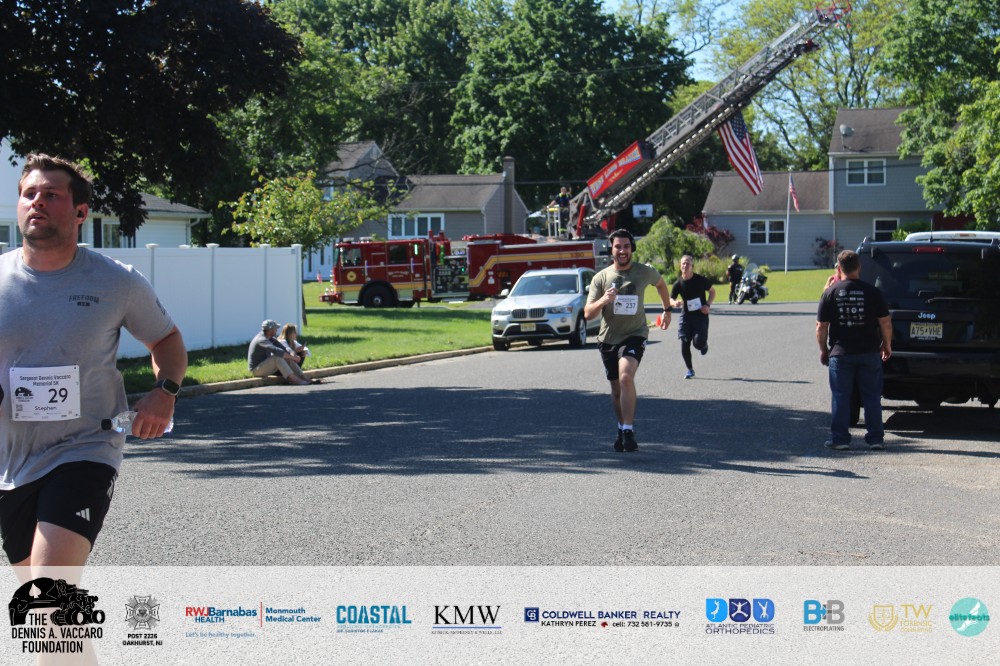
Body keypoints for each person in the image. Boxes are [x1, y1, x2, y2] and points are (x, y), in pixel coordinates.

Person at [1, 154, 187, 578]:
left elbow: (167, 340)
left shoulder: (116, 281)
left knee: (50, 587)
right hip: (11, 460)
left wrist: (165, 392)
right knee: (42, 605)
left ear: (81, 212)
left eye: (51, 194)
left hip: (85, 449)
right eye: (29, 194)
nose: (37, 202)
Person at [584, 229, 671, 453]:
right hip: (608, 338)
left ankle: (628, 430)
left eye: (626, 246)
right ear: (611, 249)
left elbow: (661, 285)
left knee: (625, 377)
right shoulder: (601, 278)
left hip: (635, 333)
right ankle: (621, 427)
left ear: (632, 248)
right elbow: (588, 314)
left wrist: (667, 310)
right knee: (616, 390)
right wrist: (604, 300)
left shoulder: (644, 272)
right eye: (618, 247)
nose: (622, 251)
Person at [816, 249, 893, 450]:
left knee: (841, 397)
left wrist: (824, 350)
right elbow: (885, 322)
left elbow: (821, 326)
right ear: (859, 267)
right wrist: (886, 344)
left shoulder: (830, 293)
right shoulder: (873, 292)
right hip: (869, 352)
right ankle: (875, 439)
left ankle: (840, 439)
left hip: (841, 354)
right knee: (872, 397)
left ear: (839, 269)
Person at [670, 255, 716, 379]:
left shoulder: (701, 280)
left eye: (687, 264)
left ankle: (703, 346)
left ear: (692, 266)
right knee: (684, 342)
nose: (685, 266)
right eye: (683, 263)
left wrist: (707, 305)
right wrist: (674, 303)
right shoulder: (678, 283)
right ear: (680, 266)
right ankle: (690, 370)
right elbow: (671, 299)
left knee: (698, 343)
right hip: (686, 316)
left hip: (700, 316)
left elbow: (712, 291)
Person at [248, 320, 311, 385]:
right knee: (277, 358)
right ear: (270, 329)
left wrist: (292, 354)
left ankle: (303, 377)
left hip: (265, 367)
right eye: (275, 328)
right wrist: (293, 357)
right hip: (256, 370)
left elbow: (284, 348)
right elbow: (276, 350)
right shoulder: (262, 339)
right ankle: (295, 380)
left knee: (287, 357)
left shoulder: (270, 338)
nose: (277, 330)